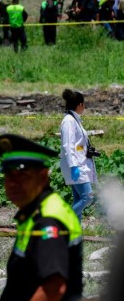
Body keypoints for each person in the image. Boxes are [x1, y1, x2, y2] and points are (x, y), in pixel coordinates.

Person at [0, 133, 83, 301]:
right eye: (8, 174)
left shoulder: (47, 221)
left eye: (22, 174)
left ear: (43, 176)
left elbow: (54, 286)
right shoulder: (35, 212)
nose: (13, 182)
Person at [60, 89, 97, 222]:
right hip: (75, 166)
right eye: (84, 105)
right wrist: (74, 166)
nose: (84, 107)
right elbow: (68, 145)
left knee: (78, 199)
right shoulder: (69, 121)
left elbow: (77, 145)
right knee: (87, 197)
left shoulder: (75, 120)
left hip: (79, 164)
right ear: (80, 105)